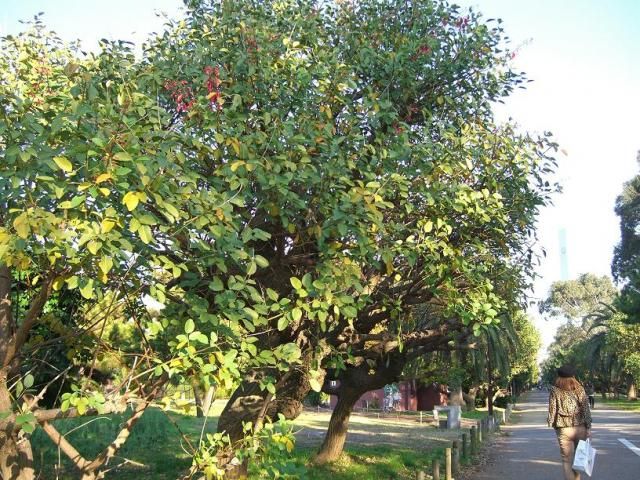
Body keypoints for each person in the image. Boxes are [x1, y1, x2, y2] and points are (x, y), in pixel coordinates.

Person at [547, 365, 592, 480]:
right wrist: (588, 428)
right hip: (580, 427)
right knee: (579, 458)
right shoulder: (580, 389)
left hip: (563, 429)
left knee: (566, 460)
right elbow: (586, 409)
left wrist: (553, 425)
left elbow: (553, 409)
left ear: (559, 376)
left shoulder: (554, 390)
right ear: (573, 376)